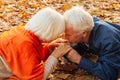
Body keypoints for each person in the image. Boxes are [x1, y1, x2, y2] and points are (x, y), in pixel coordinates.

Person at [0, 7, 71, 80]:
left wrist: (48, 49)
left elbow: (30, 58)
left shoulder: (23, 32)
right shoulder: (25, 44)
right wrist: (55, 55)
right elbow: (38, 78)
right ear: (50, 31)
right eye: (58, 33)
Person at [63, 6, 120, 80]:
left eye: (68, 35)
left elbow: (109, 74)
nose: (64, 38)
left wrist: (79, 60)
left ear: (84, 33)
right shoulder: (85, 26)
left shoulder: (108, 40)